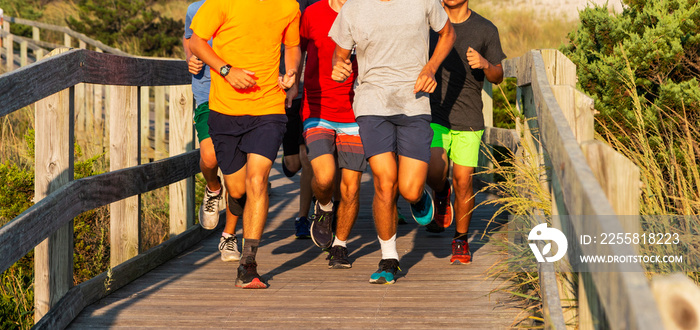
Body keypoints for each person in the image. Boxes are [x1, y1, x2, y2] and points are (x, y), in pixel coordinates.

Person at [330, 0, 455, 284]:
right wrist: (340, 67)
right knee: (384, 182)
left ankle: (419, 196)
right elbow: (340, 56)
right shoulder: (353, 8)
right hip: (372, 102)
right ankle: (389, 258)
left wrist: (431, 68)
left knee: (409, 189)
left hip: (414, 101)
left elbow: (448, 33)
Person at [189, 0, 301, 289]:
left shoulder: (287, 6)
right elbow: (198, 42)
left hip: (268, 107)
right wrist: (226, 70)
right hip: (225, 109)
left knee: (258, 181)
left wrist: (293, 75)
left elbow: (291, 46)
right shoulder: (220, 3)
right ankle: (219, 195)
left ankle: (248, 264)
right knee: (238, 189)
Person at [425, 0, 506, 264]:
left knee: (463, 180)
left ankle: (460, 239)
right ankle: (440, 192)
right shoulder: (428, 25)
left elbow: (498, 76)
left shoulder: (485, 29)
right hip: (434, 113)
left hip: (469, 116)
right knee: (433, 171)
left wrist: (484, 64)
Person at [296, 0, 363, 269]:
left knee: (352, 186)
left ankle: (341, 246)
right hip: (317, 108)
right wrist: (290, 83)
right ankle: (324, 207)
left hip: (356, 111)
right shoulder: (312, 12)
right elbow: (296, 51)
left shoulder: (367, 11)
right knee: (323, 178)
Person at [183, 0, 241, 262]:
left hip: (242, 97)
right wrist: (190, 60)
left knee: (237, 174)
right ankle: (213, 188)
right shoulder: (197, 8)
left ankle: (229, 236)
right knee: (209, 157)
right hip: (208, 94)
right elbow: (190, 38)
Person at [281, 0, 321, 240]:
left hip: (315, 91)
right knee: (294, 163)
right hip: (291, 88)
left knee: (308, 158)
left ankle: (303, 217)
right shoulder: (286, 5)